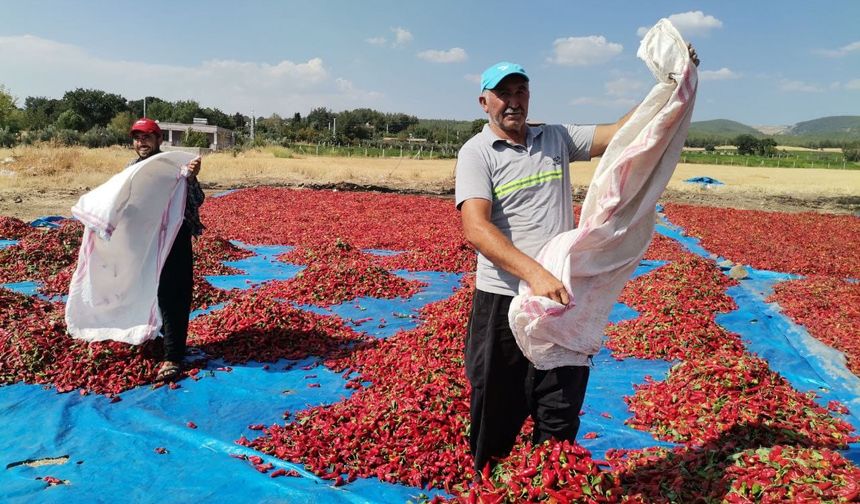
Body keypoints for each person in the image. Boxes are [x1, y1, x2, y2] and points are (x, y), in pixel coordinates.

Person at [456, 49, 698, 472]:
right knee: (497, 404)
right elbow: (476, 228)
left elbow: (624, 133)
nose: (513, 100)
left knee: (559, 404)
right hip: (503, 298)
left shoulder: (555, 137)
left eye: (521, 91)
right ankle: (492, 485)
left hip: (561, 297)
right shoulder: (478, 153)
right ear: (484, 102)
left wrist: (669, 83)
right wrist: (534, 272)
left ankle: (546, 482)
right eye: (502, 94)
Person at [128, 118, 204, 382]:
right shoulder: (132, 170)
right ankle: (156, 339)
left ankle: (173, 355)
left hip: (174, 238)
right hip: (145, 242)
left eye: (147, 136)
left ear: (159, 139)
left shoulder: (175, 166)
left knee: (174, 294)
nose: (141, 142)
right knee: (149, 292)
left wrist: (191, 179)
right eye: (137, 137)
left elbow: (197, 200)